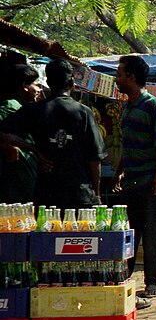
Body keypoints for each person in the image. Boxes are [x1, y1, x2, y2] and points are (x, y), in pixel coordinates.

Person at [112, 55, 156, 299]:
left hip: (150, 181)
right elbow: (128, 146)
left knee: (152, 231)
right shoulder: (128, 107)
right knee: (129, 232)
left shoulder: (152, 105)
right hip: (131, 180)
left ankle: (152, 283)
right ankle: (125, 279)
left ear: (131, 77)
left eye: (119, 74)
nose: (116, 79)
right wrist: (119, 171)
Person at [19, 59, 106, 209]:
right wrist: (96, 194)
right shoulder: (84, 113)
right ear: (72, 83)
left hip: (46, 194)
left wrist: (34, 150)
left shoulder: (33, 111)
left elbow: (5, 134)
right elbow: (95, 159)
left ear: (48, 82)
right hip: (79, 194)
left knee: (48, 233)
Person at [0, 63, 41, 203]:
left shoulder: (23, 107)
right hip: (15, 184)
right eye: (37, 85)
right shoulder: (10, 107)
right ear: (25, 85)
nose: (39, 90)